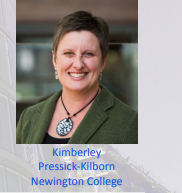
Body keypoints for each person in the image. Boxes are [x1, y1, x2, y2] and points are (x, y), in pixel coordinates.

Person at [16, 11, 138, 144]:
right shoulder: (28, 117)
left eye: (88, 54)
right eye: (69, 53)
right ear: (55, 60)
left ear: (103, 61)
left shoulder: (130, 124)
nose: (78, 65)